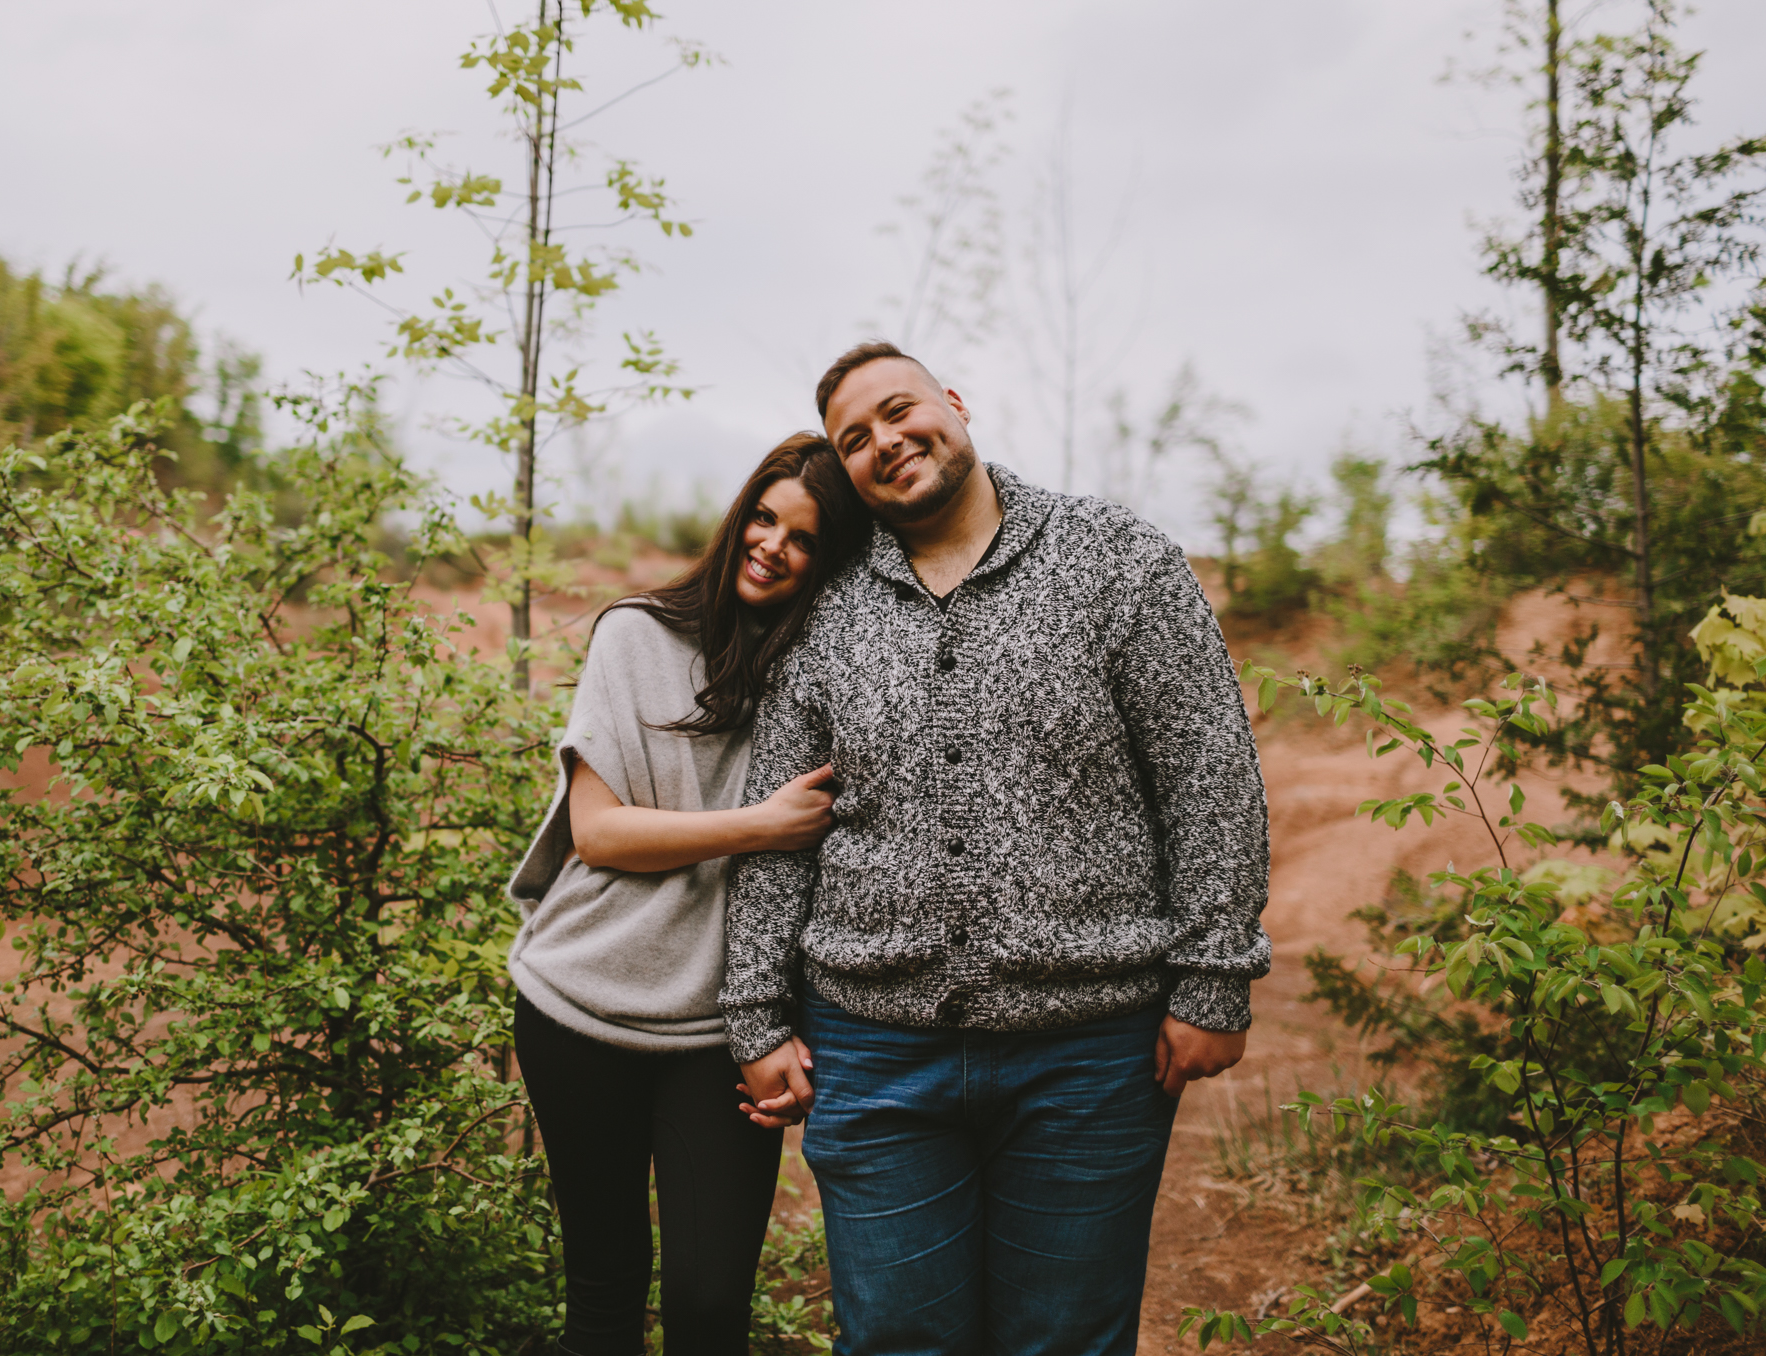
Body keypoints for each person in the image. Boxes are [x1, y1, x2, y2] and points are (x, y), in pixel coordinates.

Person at [721, 342, 1272, 1356]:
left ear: (955, 406)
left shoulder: (1118, 561)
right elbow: (780, 830)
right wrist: (755, 1017)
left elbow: (1207, 773)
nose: (887, 441)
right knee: (894, 1339)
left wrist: (1215, 977)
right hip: (874, 1052)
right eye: (855, 439)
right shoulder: (827, 610)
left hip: (1089, 1052)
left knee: (1061, 1341)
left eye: (899, 411)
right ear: (845, 472)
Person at [508, 432, 866, 1356]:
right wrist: (759, 824)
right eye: (763, 516)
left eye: (804, 538)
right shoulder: (637, 634)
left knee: (710, 1309)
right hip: (581, 1002)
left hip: (718, 1029)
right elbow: (600, 832)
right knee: (606, 1288)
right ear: (739, 514)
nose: (772, 545)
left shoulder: (821, 675)